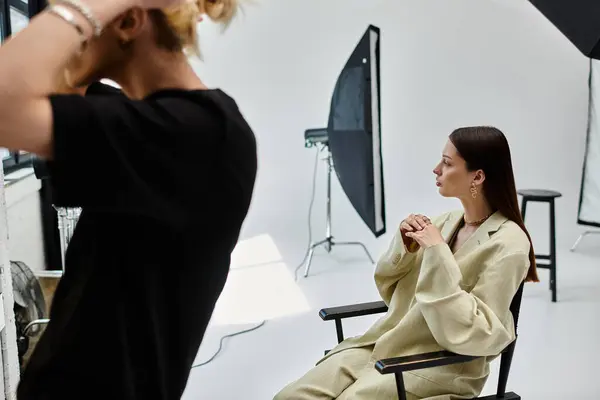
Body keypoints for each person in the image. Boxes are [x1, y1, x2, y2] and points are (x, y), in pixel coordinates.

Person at [0, 0, 257, 398]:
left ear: (128, 21)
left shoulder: (196, 135)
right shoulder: (157, 125)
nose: (75, 34)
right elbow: (58, 89)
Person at [274, 126, 538, 400]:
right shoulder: (443, 222)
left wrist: (437, 252)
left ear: (478, 176)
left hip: (436, 367)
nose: (436, 169)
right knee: (290, 397)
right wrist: (405, 248)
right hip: (383, 345)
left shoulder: (509, 243)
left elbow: (481, 331)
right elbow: (389, 290)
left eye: (447, 163)